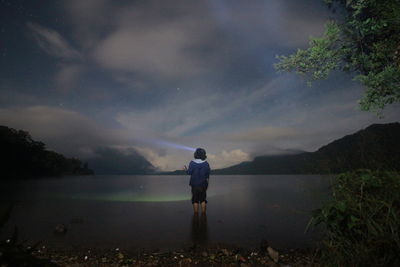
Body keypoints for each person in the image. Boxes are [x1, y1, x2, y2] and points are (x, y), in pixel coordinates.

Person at [184, 148, 210, 214]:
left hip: (194, 185)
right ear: (203, 155)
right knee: (203, 200)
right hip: (203, 185)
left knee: (195, 200)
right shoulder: (206, 164)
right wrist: (207, 186)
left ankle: (195, 216)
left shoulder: (192, 163)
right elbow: (207, 176)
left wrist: (185, 169)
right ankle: (204, 215)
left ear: (196, 154)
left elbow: (189, 172)